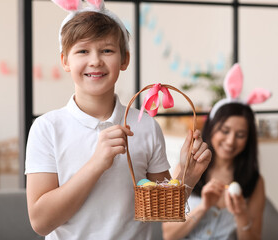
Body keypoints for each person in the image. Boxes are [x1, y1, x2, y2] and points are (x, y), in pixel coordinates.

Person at [25, 1, 211, 240]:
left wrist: (189, 174)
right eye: (83, 51)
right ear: (65, 61)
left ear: (124, 60)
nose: (95, 61)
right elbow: (40, 222)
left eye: (107, 50)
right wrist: (97, 163)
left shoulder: (144, 125)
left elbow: (164, 212)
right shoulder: (47, 129)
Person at [162, 63, 271, 240]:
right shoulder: (188, 170)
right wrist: (204, 206)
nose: (230, 141)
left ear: (248, 139)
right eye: (225, 131)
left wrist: (241, 214)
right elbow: (168, 235)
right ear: (212, 129)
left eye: (241, 134)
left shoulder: (254, 181)